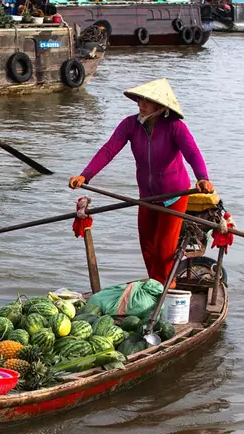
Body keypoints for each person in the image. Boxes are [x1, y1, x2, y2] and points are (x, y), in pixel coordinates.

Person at [68, 78, 215, 288]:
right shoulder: (130, 124)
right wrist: (85, 175)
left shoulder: (175, 127)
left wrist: (203, 178)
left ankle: (166, 289)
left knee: (163, 249)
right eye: (139, 100)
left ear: (160, 106)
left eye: (146, 101)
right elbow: (109, 149)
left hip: (173, 195)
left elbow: (192, 152)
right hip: (147, 196)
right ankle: (157, 285)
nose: (141, 104)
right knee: (147, 246)